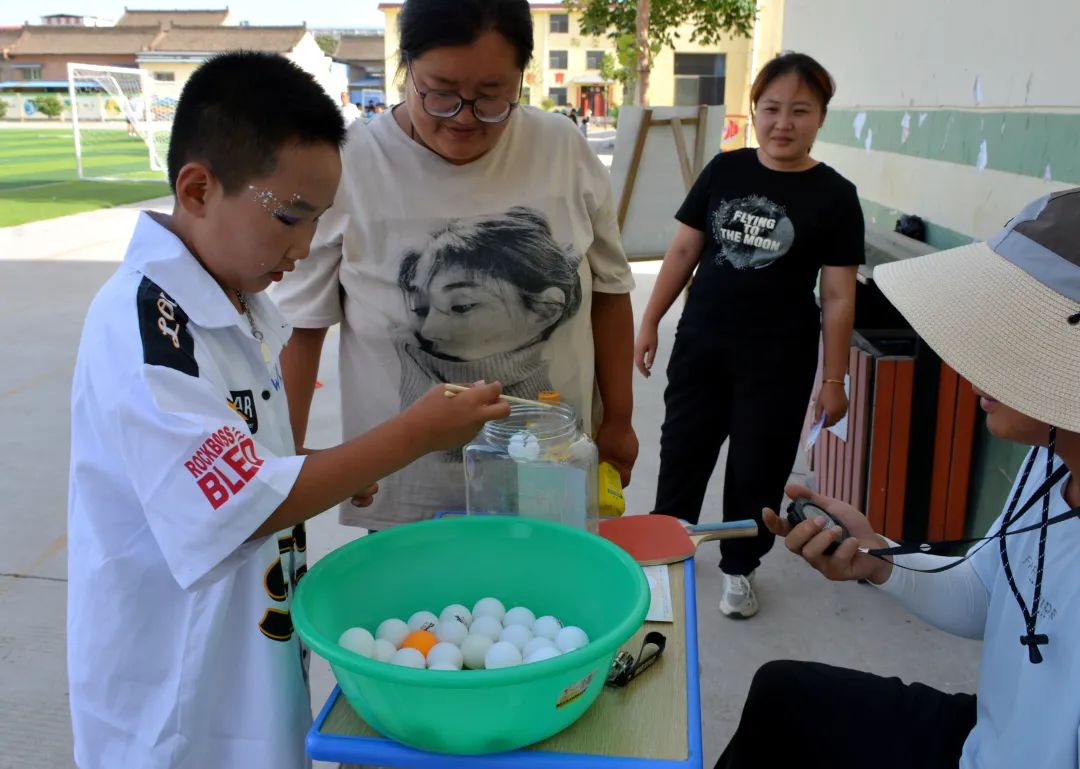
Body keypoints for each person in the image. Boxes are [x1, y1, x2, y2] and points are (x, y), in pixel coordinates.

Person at [66, 51, 508, 769]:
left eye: (318, 221)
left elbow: (253, 462)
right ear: (199, 187)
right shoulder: (148, 328)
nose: (303, 248)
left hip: (250, 664)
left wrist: (327, 472)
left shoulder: (237, 300)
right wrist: (411, 436)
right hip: (179, 711)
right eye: (291, 217)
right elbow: (239, 501)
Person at [716, 188, 1080, 769]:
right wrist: (880, 558)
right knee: (782, 695)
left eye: (1016, 334)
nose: (970, 361)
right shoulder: (1052, 456)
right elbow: (987, 592)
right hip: (990, 736)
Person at [274, 0, 637, 533]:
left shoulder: (562, 147)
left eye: (492, 97)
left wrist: (621, 421)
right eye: (439, 93)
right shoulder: (350, 162)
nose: (464, 118)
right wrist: (283, 468)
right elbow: (301, 329)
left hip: (546, 474)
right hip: (407, 488)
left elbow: (609, 290)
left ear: (521, 79)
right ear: (406, 69)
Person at [633, 51, 864, 618]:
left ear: (820, 118)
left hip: (779, 360)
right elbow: (684, 250)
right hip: (702, 344)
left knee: (757, 468)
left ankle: (739, 569)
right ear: (754, 111)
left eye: (800, 111)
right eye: (771, 108)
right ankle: (667, 554)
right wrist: (650, 319)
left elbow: (837, 296)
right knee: (683, 451)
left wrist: (835, 378)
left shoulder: (835, 196)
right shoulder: (724, 170)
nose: (783, 123)